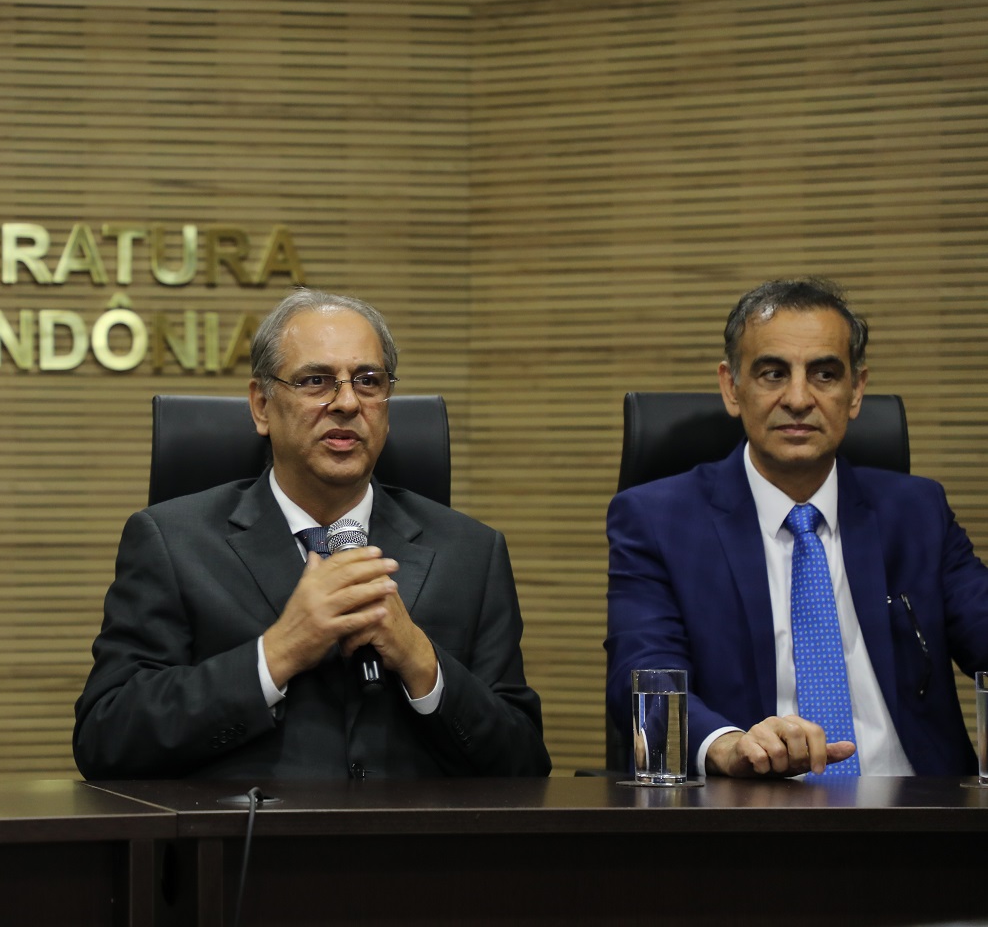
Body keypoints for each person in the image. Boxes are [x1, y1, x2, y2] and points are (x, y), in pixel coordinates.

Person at [74, 288, 550, 779]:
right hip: (247, 828)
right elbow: (105, 739)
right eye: (316, 381)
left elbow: (526, 765)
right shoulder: (172, 542)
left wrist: (421, 661)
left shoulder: (472, 553)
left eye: (368, 381)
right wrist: (279, 651)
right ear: (262, 405)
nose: (347, 402)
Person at [605, 278, 988, 778]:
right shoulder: (657, 521)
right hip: (750, 808)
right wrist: (729, 745)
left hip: (920, 808)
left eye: (825, 374)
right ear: (731, 387)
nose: (799, 398)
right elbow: (642, 681)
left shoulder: (917, 512)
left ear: (856, 391)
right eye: (773, 374)